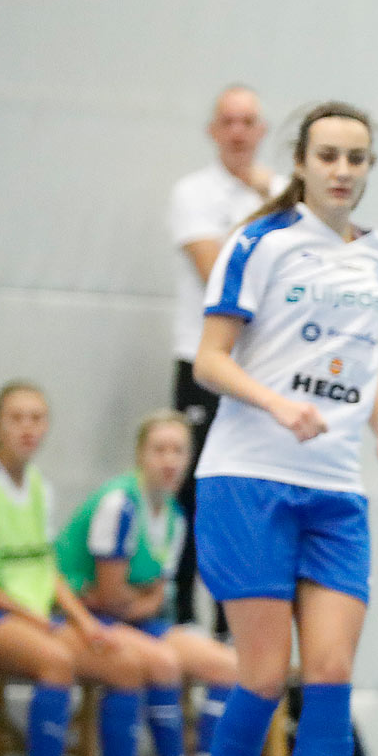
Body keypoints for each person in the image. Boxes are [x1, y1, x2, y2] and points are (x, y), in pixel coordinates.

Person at [187, 101, 378, 756]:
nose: (342, 169)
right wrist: (277, 407)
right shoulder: (261, 244)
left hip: (336, 489)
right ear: (303, 163)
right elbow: (210, 359)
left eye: (356, 156)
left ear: (368, 165)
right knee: (259, 673)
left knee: (332, 675)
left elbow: (365, 356)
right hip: (249, 477)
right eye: (327, 156)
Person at [55, 410, 244, 756]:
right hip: (78, 616)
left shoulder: (175, 516)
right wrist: (139, 600)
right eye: (159, 449)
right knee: (162, 662)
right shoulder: (119, 505)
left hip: (131, 619)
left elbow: (153, 598)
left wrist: (139, 600)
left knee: (229, 667)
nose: (169, 460)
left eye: (178, 450)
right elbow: (108, 598)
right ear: (140, 455)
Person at [0, 381, 155, 756]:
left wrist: (83, 621)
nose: (28, 427)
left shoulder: (38, 489)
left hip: (35, 616)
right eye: (16, 417)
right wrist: (33, 619)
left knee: (124, 663)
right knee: (56, 661)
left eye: (37, 418)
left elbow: (48, 571)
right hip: (6, 616)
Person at [165, 86, 285, 631]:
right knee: (194, 494)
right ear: (214, 131)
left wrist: (272, 197)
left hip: (262, 374)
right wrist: (267, 215)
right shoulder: (193, 193)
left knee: (252, 497)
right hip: (203, 364)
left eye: (248, 122)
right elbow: (221, 276)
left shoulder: (285, 192)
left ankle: (233, 628)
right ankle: (188, 622)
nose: (238, 132)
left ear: (262, 131)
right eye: (228, 122)